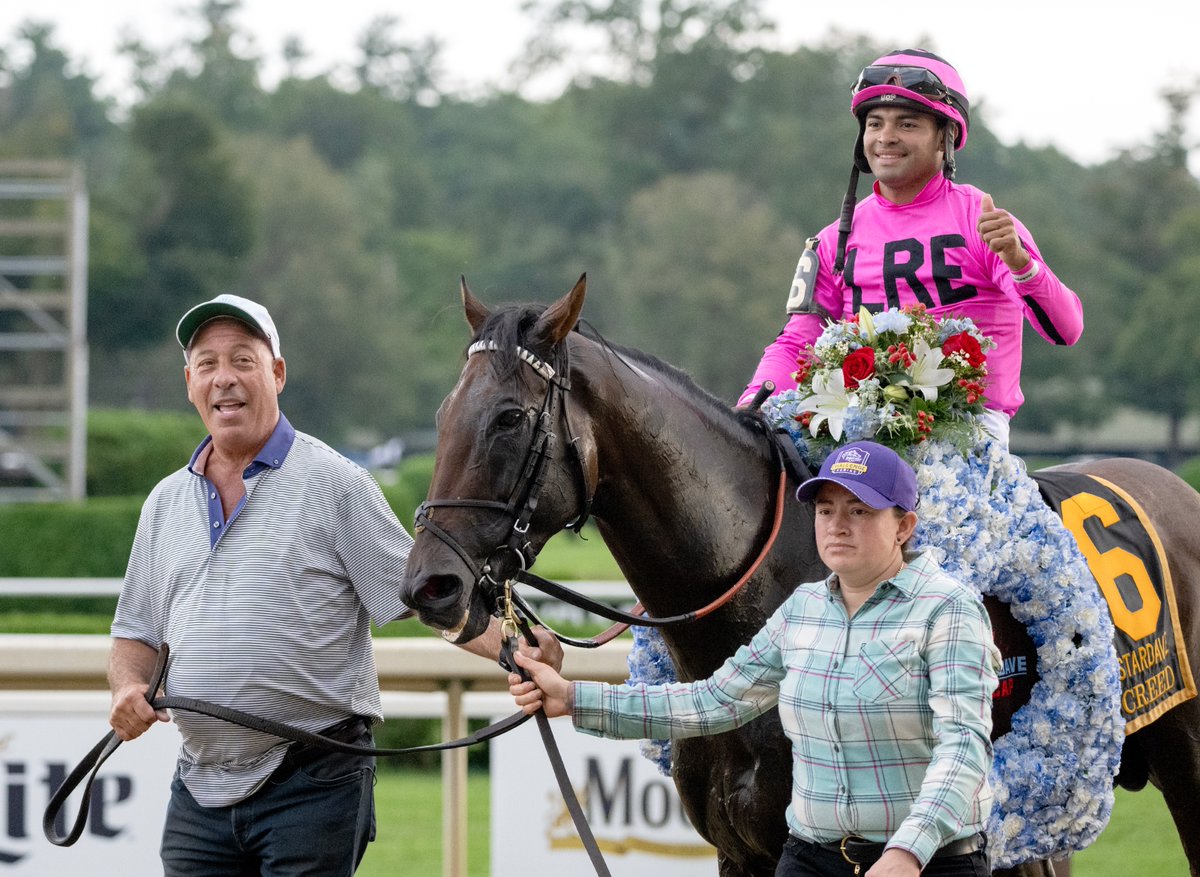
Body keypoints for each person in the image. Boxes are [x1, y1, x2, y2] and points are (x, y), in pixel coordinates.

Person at [108, 293, 560, 876]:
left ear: (277, 373)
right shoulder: (164, 503)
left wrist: (515, 645)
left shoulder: (337, 484)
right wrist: (125, 688)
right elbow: (136, 632)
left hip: (313, 782)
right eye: (208, 364)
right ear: (189, 381)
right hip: (199, 788)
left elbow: (425, 596)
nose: (225, 379)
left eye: (243, 361)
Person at [510, 440, 1000, 877]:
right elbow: (715, 701)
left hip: (932, 865)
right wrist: (572, 699)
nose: (837, 526)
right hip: (811, 859)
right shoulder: (804, 608)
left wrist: (909, 852)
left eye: (860, 511)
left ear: (904, 526)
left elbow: (963, 747)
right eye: (826, 511)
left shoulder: (949, 609)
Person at [740, 48, 1083, 448]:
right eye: (875, 123)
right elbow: (797, 344)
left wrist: (1021, 264)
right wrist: (752, 403)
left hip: (966, 436)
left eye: (907, 123)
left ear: (947, 136)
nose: (886, 137)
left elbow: (1067, 328)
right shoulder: (834, 240)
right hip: (857, 433)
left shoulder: (985, 222)